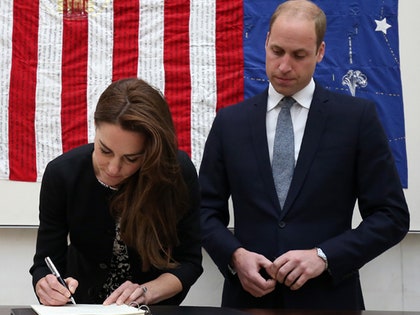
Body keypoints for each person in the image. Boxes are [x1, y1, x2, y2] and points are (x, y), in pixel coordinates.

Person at [199, 0, 409, 310]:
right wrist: (234, 256)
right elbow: (202, 210)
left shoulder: (356, 119)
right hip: (248, 302)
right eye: (277, 51)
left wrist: (324, 257)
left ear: (320, 52)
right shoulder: (230, 122)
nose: (284, 66)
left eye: (299, 55)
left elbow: (391, 216)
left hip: (329, 299)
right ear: (266, 40)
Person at [30, 78, 203, 306]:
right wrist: (46, 284)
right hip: (81, 308)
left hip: (150, 309)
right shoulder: (61, 174)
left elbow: (189, 262)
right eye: (104, 150)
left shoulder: (176, 172)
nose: (113, 168)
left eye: (131, 158)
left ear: (151, 151)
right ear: (95, 128)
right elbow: (45, 262)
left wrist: (146, 292)